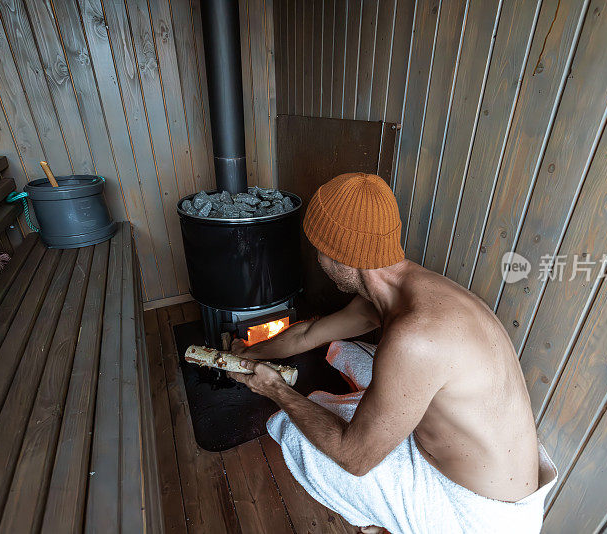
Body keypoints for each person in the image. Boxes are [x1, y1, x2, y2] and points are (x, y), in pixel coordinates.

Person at [228, 172, 557, 533]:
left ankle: (380, 522)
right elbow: (307, 334)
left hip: (480, 513)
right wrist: (251, 352)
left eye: (320, 249)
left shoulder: (415, 337)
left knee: (294, 430)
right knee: (350, 357)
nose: (318, 259)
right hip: (476, 465)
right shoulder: (405, 291)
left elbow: (354, 458)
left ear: (340, 254)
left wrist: (275, 389)